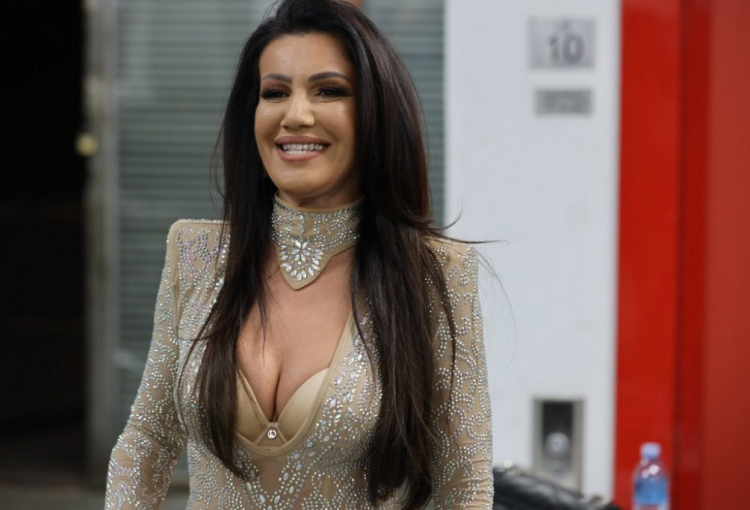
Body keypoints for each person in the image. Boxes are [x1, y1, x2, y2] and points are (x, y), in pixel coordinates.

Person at [105, 0, 492, 508]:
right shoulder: (196, 255)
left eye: (329, 91)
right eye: (275, 92)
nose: (296, 115)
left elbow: (463, 486)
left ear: (376, 112)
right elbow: (147, 443)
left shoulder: (434, 275)